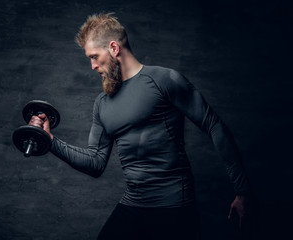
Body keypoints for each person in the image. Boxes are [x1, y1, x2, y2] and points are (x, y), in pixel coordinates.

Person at [29, 13, 254, 240]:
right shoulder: (102, 103)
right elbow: (95, 162)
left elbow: (214, 125)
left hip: (174, 207)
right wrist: (49, 141)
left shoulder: (163, 80)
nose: (92, 66)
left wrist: (242, 191)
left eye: (95, 57)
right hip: (134, 204)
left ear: (114, 48)